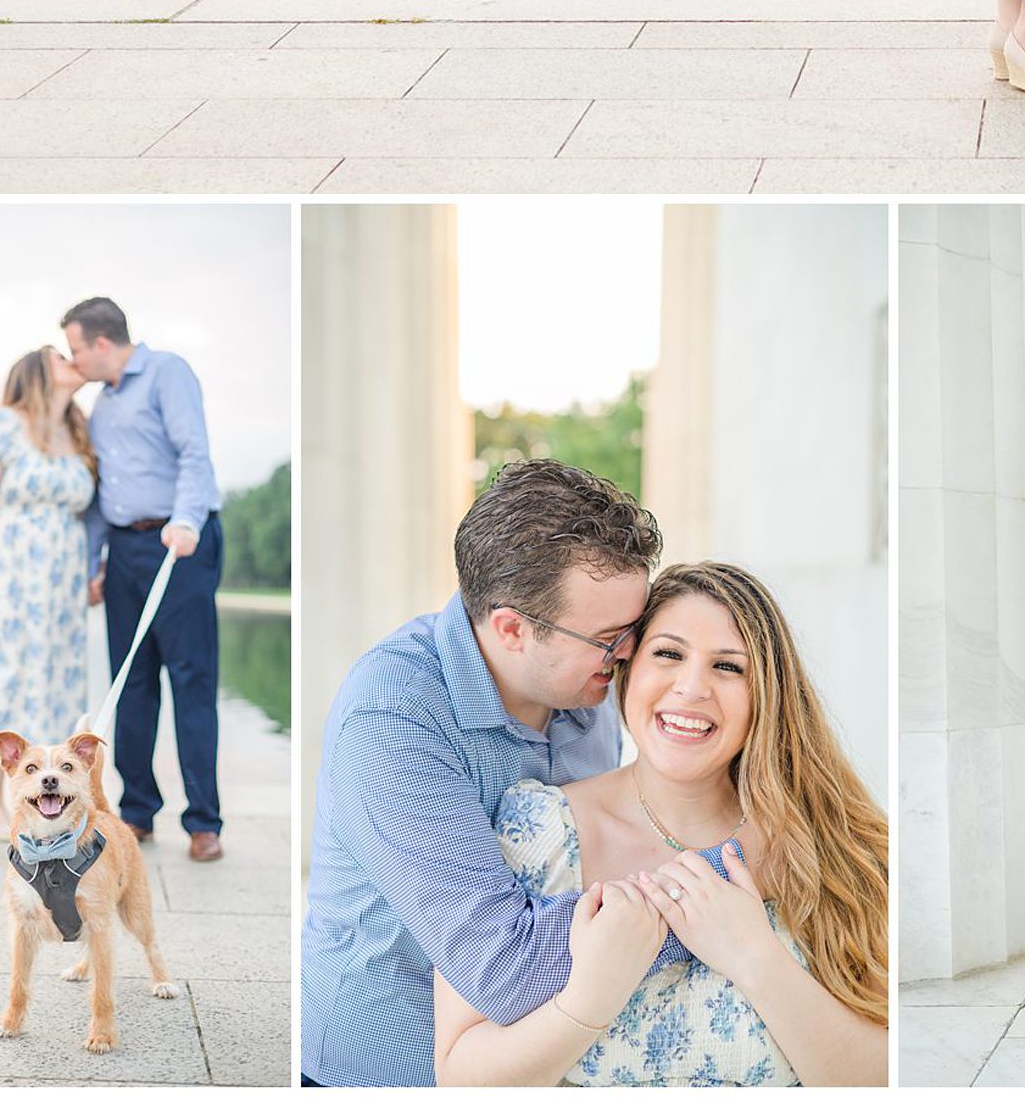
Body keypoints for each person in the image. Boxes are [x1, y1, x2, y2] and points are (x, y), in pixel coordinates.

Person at [434, 561, 889, 1086]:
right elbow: (461, 1079)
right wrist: (590, 999)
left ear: (767, 693)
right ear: (627, 670)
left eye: (729, 667)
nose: (691, 688)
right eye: (668, 654)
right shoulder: (539, 833)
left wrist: (756, 958)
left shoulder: (835, 844)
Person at [304, 460, 662, 1086]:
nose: (630, 654)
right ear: (513, 629)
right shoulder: (392, 714)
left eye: (634, 629)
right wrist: (724, 896)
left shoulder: (587, 685)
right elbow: (504, 967)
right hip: (389, 1067)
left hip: (538, 1060)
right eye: (610, 638)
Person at [64, 295, 225, 863]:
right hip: (125, 549)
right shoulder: (100, 406)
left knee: (191, 681)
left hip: (180, 540)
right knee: (130, 682)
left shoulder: (166, 372)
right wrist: (94, 566)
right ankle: (137, 812)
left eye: (76, 348)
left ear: (102, 342)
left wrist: (185, 522)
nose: (73, 360)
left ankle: (204, 822)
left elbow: (193, 454)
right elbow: (102, 495)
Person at [0, 345, 103, 839]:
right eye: (60, 355)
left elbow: (86, 514)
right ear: (38, 372)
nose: (72, 359)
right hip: (10, 580)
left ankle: (52, 799)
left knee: (56, 684)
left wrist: (91, 569)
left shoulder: (76, 432)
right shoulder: (3, 424)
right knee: (5, 680)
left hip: (60, 592)